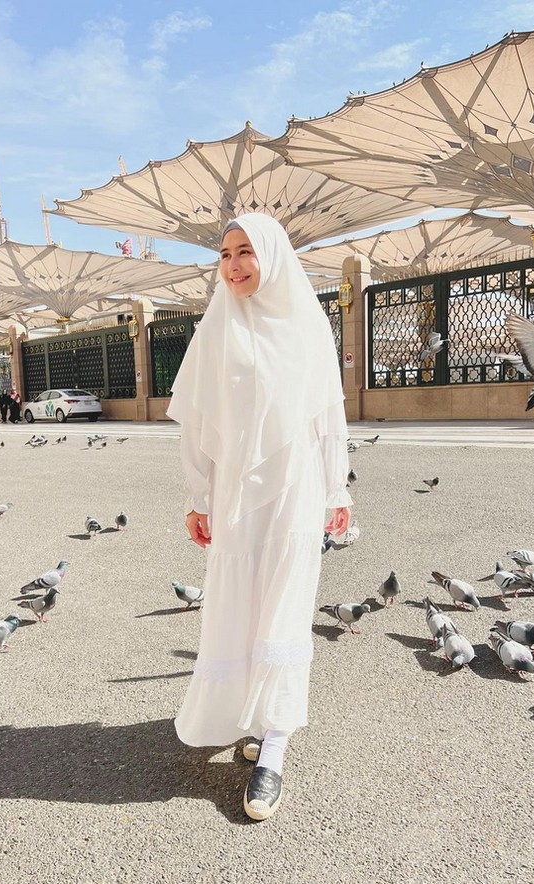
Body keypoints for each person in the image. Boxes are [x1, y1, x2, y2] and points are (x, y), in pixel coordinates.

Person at [167, 213, 352, 822]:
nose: (234, 264)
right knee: (236, 604)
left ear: (271, 255)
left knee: (284, 604)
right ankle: (245, 715)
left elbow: (327, 416)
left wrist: (335, 487)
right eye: (225, 254)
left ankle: (274, 745)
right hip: (234, 493)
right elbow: (196, 418)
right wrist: (197, 496)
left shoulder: (307, 326)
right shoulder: (215, 327)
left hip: (294, 487)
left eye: (245, 251)